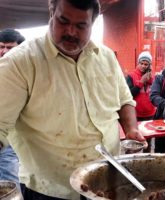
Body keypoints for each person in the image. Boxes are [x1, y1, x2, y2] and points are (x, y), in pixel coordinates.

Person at [0, 0, 146, 199]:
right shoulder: (19, 63)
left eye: (80, 25)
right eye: (63, 21)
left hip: (107, 183)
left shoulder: (106, 57)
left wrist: (131, 129)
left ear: (92, 23)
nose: (71, 32)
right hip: (51, 191)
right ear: (52, 12)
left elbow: (124, 100)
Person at [0, 28, 25, 189]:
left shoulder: (23, 74)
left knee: (10, 187)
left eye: (9, 47)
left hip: (9, 143)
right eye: (1, 46)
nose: (4, 51)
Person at [126, 51, 156, 152]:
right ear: (138, 63)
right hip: (136, 114)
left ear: (149, 65)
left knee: (148, 141)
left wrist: (149, 77)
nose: (143, 66)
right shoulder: (131, 76)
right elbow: (129, 95)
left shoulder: (152, 77)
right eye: (141, 63)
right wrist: (140, 83)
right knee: (134, 141)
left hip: (150, 113)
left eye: (146, 64)